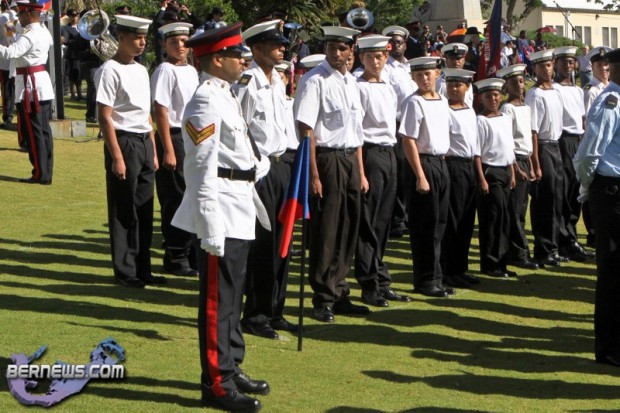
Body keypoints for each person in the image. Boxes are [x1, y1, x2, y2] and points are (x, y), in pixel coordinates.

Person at [171, 22, 270, 412]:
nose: (243, 60)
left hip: (239, 202)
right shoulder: (205, 102)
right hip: (221, 210)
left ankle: (231, 366)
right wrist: (209, 223)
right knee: (218, 299)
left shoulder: (225, 94)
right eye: (235, 54)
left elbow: (235, 151)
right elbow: (199, 168)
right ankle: (216, 382)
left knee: (233, 295)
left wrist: (257, 165)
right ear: (216, 60)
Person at [294, 25, 370, 323]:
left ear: (351, 50)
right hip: (328, 159)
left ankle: (340, 290)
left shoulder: (351, 82)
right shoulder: (315, 81)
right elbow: (306, 130)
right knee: (327, 230)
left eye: (342, 48)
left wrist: (361, 172)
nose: (336, 53)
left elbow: (357, 131)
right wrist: (313, 174)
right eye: (330, 47)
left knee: (348, 228)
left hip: (350, 159)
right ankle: (323, 297)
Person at [232, 19, 298, 340]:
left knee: (284, 242)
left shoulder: (277, 82)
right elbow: (240, 128)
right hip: (261, 170)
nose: (282, 48)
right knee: (263, 244)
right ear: (257, 48)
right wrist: (253, 168)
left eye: (282, 44)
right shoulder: (247, 83)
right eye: (275, 44)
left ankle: (275, 308)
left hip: (282, 165)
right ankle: (256, 314)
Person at [95, 15, 165, 288]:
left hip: (144, 141)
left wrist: (154, 150)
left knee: (144, 209)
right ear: (121, 38)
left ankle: (143, 268)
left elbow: (146, 113)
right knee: (123, 208)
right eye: (136, 38)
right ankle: (125, 271)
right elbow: (105, 116)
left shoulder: (141, 69)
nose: (142, 43)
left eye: (144, 38)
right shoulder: (110, 70)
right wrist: (117, 156)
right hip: (124, 141)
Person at [353, 35, 411, 307]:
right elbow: (357, 132)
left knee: (384, 221)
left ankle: (380, 277)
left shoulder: (388, 86)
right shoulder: (359, 87)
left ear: (386, 57)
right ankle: (369, 283)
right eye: (369, 57)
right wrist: (361, 171)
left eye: (379, 57)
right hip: (370, 152)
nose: (375, 62)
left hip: (389, 151)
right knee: (369, 221)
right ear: (361, 58)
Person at [573, 47, 620, 367]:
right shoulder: (610, 101)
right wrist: (589, 185)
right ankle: (610, 347)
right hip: (611, 189)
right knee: (613, 271)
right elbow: (589, 152)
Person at [399, 57, 453, 297]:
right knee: (425, 225)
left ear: (437, 74)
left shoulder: (442, 100)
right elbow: (408, 140)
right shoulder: (414, 102)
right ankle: (425, 279)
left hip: (441, 162)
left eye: (428, 73)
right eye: (419, 75)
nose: (424, 79)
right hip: (424, 163)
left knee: (440, 223)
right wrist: (420, 175)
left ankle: (437, 276)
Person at [150, 22, 199, 277]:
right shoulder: (165, 70)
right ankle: (175, 254)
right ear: (164, 45)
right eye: (173, 42)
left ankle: (191, 252)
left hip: (192, 137)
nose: (180, 46)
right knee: (175, 196)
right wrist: (168, 148)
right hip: (174, 135)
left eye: (183, 41)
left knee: (192, 194)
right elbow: (160, 109)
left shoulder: (191, 70)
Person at [0, 1, 54, 184]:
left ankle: (39, 173)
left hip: (30, 87)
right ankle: (45, 172)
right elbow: (21, 49)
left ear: (29, 14)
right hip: (41, 85)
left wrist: (10, 39)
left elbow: (11, 53)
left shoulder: (29, 35)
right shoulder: (43, 31)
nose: (18, 18)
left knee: (34, 132)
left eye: (21, 14)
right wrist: (11, 35)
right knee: (44, 131)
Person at [525, 49, 567, 268]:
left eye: (549, 65)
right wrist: (535, 162)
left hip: (556, 145)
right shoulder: (535, 94)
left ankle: (554, 246)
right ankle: (543, 249)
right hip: (542, 146)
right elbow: (533, 130)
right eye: (541, 66)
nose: (546, 70)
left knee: (557, 198)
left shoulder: (556, 91)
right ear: (535, 69)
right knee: (544, 200)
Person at [553, 46, 594, 262]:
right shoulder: (555, 89)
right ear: (556, 64)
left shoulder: (578, 90)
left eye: (570, 62)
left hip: (578, 140)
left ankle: (571, 238)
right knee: (565, 190)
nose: (567, 66)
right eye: (563, 62)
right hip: (564, 139)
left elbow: (583, 119)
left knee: (575, 191)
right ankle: (563, 240)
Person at [497, 63, 539, 270]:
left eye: (521, 81)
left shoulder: (526, 108)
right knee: (514, 211)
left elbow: (528, 141)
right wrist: (516, 167)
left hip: (525, 158)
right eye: (514, 83)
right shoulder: (508, 109)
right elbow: (507, 140)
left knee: (522, 209)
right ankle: (519, 253)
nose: (519, 86)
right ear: (507, 86)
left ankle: (517, 251)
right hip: (515, 160)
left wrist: (532, 165)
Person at [441, 68, 480, 288]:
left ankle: (461, 268)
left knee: (466, 219)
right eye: (450, 85)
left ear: (467, 87)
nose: (454, 89)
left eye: (458, 85)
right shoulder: (444, 110)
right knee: (453, 219)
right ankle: (449, 269)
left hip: (468, 165)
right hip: (453, 164)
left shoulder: (469, 110)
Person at [474, 77, 517, 278]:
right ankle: (490, 263)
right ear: (482, 98)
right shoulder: (481, 120)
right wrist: (481, 179)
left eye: (496, 95)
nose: (493, 99)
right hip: (490, 171)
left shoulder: (505, 118)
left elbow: (509, 148)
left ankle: (502, 261)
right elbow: (477, 153)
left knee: (505, 218)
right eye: (489, 96)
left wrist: (513, 172)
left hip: (505, 170)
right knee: (492, 219)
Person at [382, 25, 417, 238]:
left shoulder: (410, 67)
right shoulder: (385, 68)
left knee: (411, 172)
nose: (395, 46)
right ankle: (396, 219)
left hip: (413, 126)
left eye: (399, 42)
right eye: (392, 42)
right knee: (398, 172)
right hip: (396, 125)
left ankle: (408, 216)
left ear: (405, 44)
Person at [437, 43, 473, 107]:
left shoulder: (467, 80)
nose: (456, 61)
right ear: (446, 60)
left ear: (464, 60)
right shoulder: (439, 83)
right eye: (452, 58)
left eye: (458, 58)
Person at [0, 1, 17, 130]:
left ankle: (8, 115)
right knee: (8, 88)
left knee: (9, 89)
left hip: (11, 58)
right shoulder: (4, 19)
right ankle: (8, 115)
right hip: (6, 58)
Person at [60, 8, 82, 101]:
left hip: (81, 54)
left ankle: (80, 94)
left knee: (79, 75)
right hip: (73, 55)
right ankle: (73, 94)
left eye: (76, 15)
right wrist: (77, 41)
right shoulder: (66, 28)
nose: (75, 18)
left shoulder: (81, 27)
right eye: (72, 16)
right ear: (69, 17)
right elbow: (65, 41)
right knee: (73, 75)